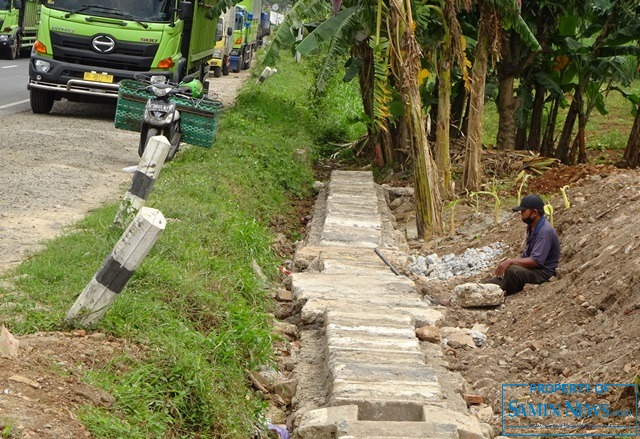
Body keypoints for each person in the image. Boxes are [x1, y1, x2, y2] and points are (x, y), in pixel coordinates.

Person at [487, 194, 560, 295]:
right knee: (494, 281)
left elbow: (536, 261)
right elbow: (527, 255)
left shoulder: (544, 232)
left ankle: (498, 294)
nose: (521, 214)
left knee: (512, 271)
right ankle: (491, 288)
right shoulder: (531, 227)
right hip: (533, 269)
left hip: (542, 273)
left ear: (534, 212)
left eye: (523, 211)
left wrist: (511, 261)